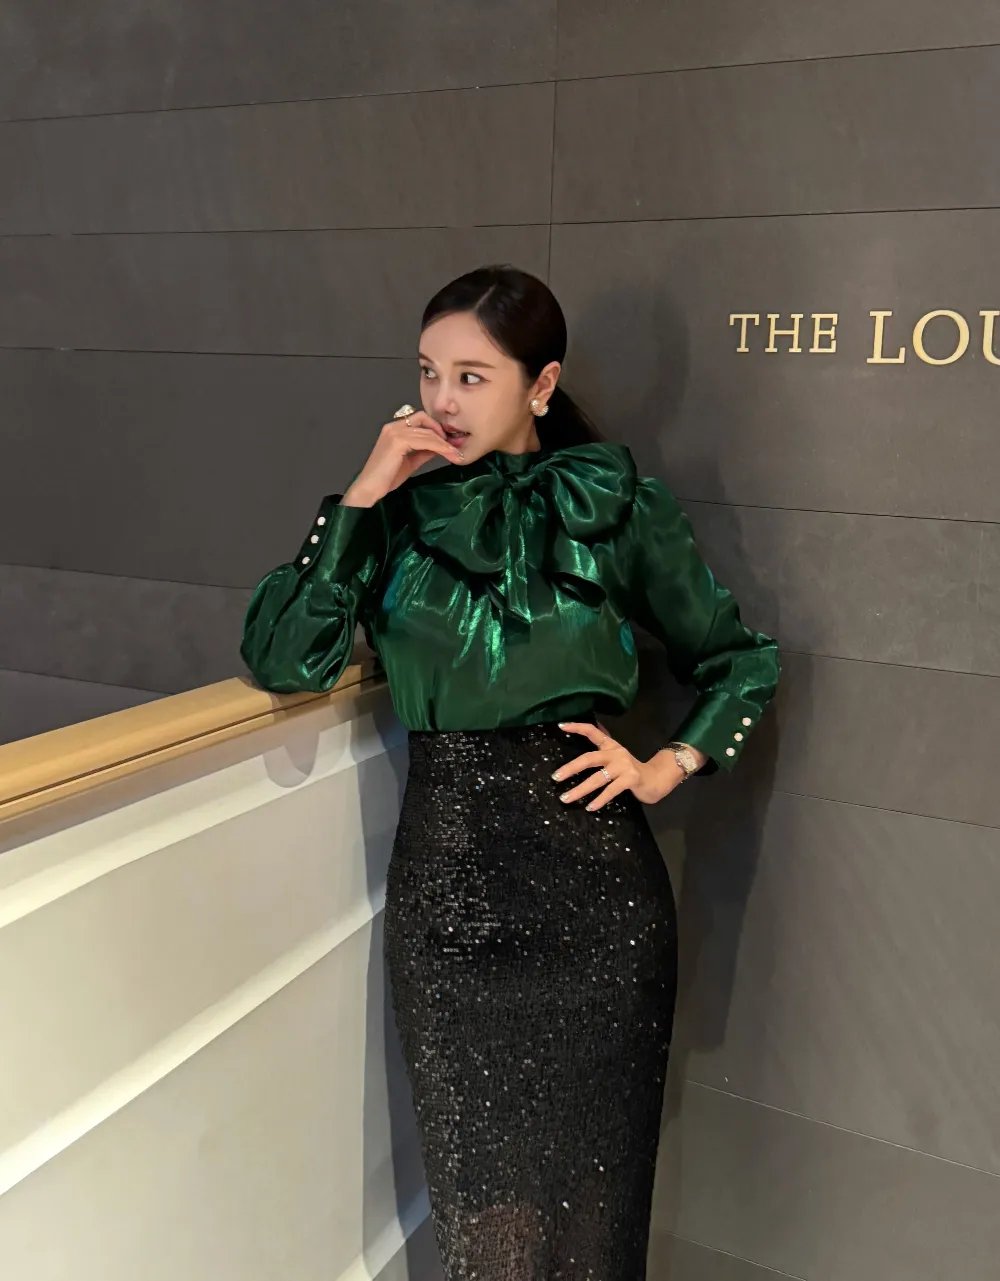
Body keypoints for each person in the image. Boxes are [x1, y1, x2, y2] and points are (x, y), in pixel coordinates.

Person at [240, 264, 780, 1280]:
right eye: (427, 372)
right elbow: (283, 657)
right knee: (485, 1232)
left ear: (542, 385)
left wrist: (667, 764)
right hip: (448, 906)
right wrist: (364, 492)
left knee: (595, 1223)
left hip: (600, 907)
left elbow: (740, 660)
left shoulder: (619, 507)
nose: (441, 400)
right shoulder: (394, 514)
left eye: (472, 376)